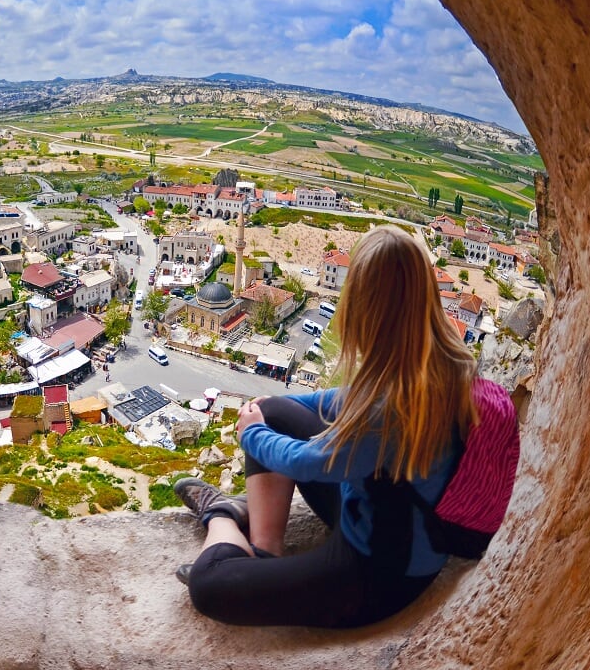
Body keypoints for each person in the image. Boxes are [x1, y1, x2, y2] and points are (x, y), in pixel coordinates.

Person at [173, 225, 479, 628]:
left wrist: (252, 432)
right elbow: (342, 401)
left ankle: (222, 515)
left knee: (208, 585)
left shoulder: (390, 409)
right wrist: (272, 408)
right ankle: (265, 551)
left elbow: (310, 462)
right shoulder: (442, 367)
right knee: (275, 411)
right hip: (387, 518)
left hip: (376, 573)